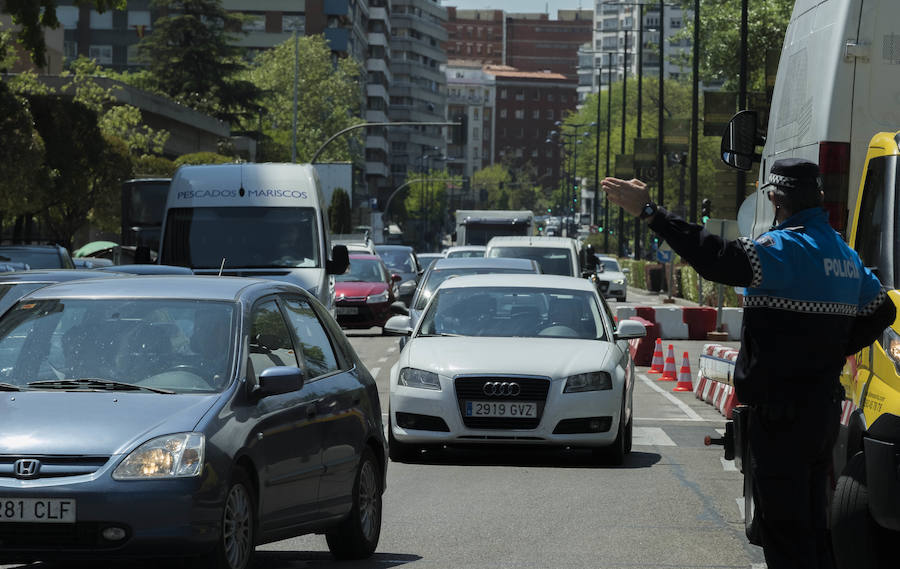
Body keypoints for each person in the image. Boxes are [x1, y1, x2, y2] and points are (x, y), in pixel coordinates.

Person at [601, 158, 896, 569]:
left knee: (782, 530)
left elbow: (715, 257)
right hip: (823, 412)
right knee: (812, 524)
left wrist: (652, 213)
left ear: (775, 198)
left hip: (780, 417)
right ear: (819, 199)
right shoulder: (844, 255)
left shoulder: (784, 250)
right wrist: (835, 349)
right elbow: (882, 311)